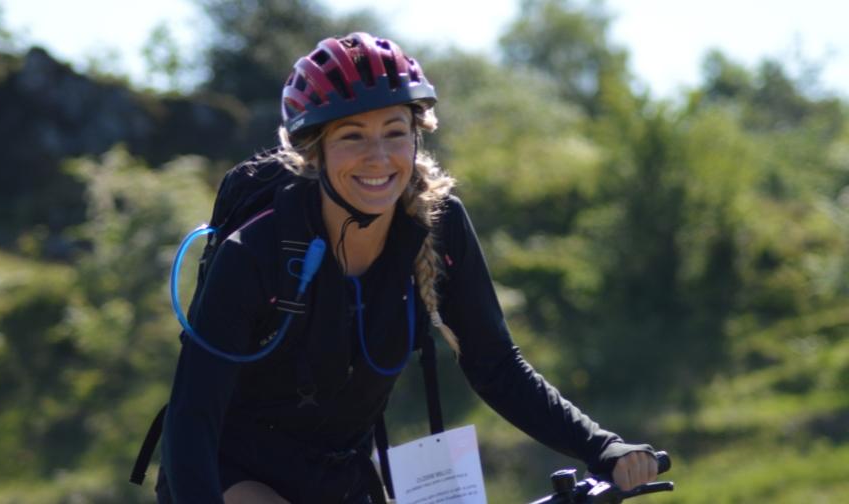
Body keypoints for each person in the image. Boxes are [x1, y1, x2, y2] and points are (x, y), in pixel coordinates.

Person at [158, 32, 659, 504]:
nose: (378, 158)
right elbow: (191, 420)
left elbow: (497, 367)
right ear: (315, 151)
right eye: (352, 137)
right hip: (228, 475)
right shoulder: (254, 252)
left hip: (344, 478)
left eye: (395, 133)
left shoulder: (440, 225)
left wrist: (602, 447)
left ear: (416, 139)